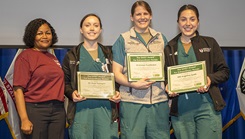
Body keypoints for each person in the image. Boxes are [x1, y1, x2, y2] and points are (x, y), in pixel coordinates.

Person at [164, 4, 230, 139]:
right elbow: (165, 76)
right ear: (178, 22)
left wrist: (209, 79)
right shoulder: (169, 47)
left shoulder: (210, 43)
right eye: (183, 19)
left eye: (192, 19)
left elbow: (224, 72)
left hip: (207, 107)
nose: (188, 23)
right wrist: (167, 86)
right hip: (181, 110)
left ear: (198, 22)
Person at [112, 1, 170, 139]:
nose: (142, 17)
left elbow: (168, 69)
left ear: (151, 16)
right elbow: (116, 73)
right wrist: (133, 84)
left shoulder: (161, 39)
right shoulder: (123, 40)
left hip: (159, 102)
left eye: (145, 13)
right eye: (138, 14)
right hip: (132, 103)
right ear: (132, 17)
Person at [62, 13, 121, 139]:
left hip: (105, 111)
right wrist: (71, 94)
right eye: (87, 25)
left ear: (100, 30)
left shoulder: (109, 54)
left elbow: (116, 79)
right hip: (80, 112)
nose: (92, 29)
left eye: (96, 25)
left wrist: (116, 91)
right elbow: (65, 83)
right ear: (81, 30)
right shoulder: (72, 56)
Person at [13, 18, 66, 139]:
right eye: (39, 33)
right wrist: (24, 119)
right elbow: (18, 90)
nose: (45, 36)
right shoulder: (25, 56)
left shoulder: (52, 57)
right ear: (32, 36)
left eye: (48, 33)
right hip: (36, 111)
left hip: (58, 110)